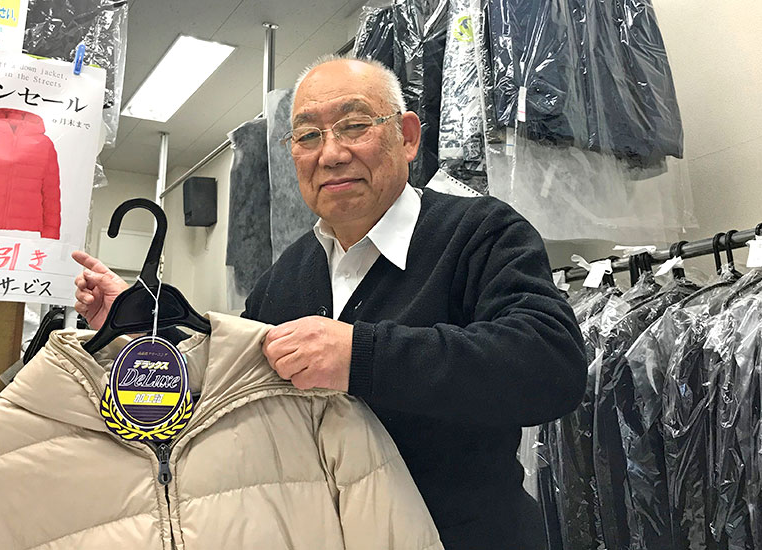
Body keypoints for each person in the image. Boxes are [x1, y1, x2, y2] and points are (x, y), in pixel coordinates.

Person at [73, 56, 587, 550]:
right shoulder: (285, 275)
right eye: (308, 136)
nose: (331, 153)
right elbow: (231, 385)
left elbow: (551, 366)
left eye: (355, 126)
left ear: (407, 137)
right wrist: (141, 331)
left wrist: (360, 355)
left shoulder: (480, 233)